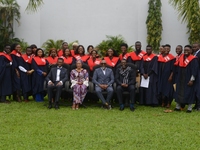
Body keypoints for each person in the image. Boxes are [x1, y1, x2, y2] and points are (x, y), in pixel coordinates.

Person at [174, 45, 198, 113]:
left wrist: (192, 80)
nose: (186, 52)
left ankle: (189, 108)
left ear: (191, 51)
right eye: (185, 50)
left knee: (189, 92)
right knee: (179, 91)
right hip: (181, 78)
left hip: (188, 78)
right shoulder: (181, 58)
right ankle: (178, 106)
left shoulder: (193, 59)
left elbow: (195, 70)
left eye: (188, 50)